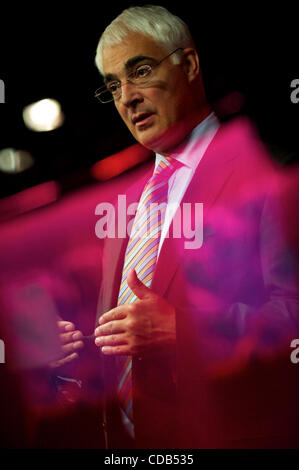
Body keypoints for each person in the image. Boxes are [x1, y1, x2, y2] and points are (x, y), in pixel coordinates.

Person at [56, 5, 299, 449]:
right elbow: (125, 342)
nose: (127, 96)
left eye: (140, 71)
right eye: (113, 86)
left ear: (188, 65)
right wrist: (70, 353)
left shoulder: (268, 174)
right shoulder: (124, 204)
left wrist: (181, 331)